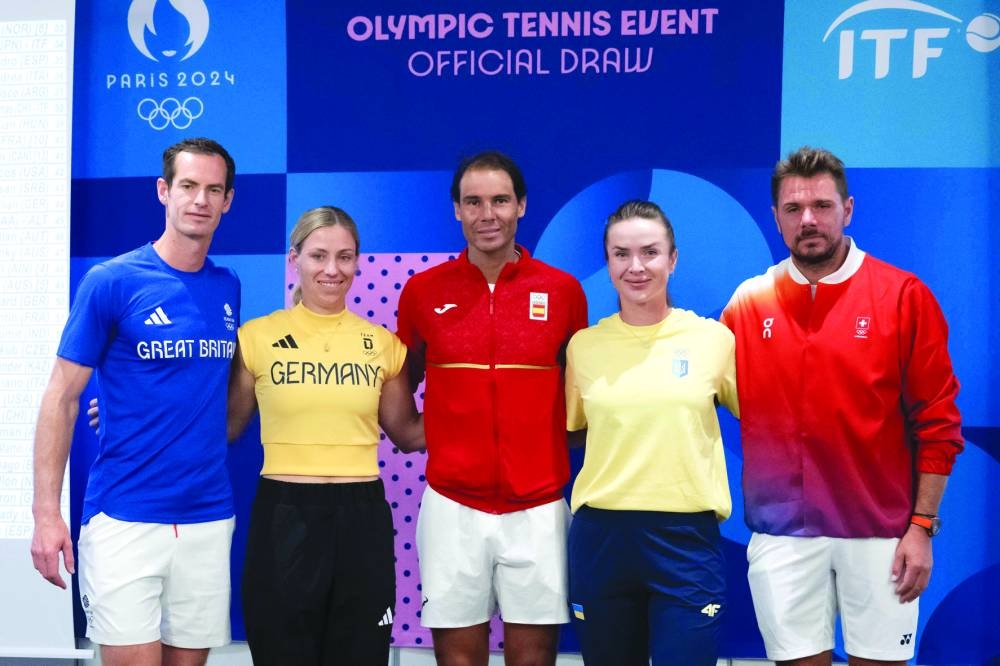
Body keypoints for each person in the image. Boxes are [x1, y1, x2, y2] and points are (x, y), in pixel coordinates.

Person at [720, 146, 963, 666]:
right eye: (793, 209)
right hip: (781, 535)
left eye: (822, 206)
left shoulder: (903, 296)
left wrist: (922, 527)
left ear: (847, 209)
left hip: (882, 537)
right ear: (776, 219)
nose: (808, 220)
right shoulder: (746, 304)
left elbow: (939, 425)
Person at [31, 138, 239, 666]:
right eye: (189, 186)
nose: (201, 200)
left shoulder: (228, 285)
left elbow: (204, 390)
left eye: (214, 190)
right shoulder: (112, 280)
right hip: (125, 516)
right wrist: (45, 515)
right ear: (164, 191)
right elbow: (61, 398)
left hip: (208, 518)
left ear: (228, 201)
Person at [395, 150, 588, 665]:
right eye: (473, 201)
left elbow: (582, 395)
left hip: (540, 505)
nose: (487, 214)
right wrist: (413, 432)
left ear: (521, 205)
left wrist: (547, 439)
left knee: (534, 658)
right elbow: (400, 381)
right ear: (456, 210)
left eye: (500, 200)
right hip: (452, 505)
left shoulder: (563, 291)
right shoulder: (422, 291)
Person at [226, 206, 425, 665]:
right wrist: (133, 415)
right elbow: (224, 428)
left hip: (362, 519)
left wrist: (493, 409)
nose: (332, 270)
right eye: (318, 256)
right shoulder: (256, 338)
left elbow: (408, 434)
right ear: (294, 259)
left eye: (345, 257)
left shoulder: (382, 344)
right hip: (283, 515)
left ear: (358, 262)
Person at [564, 200, 738, 666]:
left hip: (685, 539)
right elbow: (574, 430)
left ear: (673, 259)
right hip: (602, 537)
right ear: (607, 262)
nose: (635, 267)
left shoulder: (715, 341)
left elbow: (769, 421)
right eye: (621, 254)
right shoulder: (584, 346)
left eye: (650, 252)